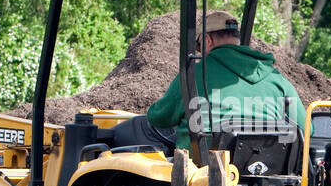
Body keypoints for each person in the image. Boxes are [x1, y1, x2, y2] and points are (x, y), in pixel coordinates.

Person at [116, 10, 303, 152]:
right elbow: (305, 129)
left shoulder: (193, 75)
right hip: (266, 181)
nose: (199, 52)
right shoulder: (277, 78)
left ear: (207, 39)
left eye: (198, 46)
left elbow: (159, 117)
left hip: (201, 178)